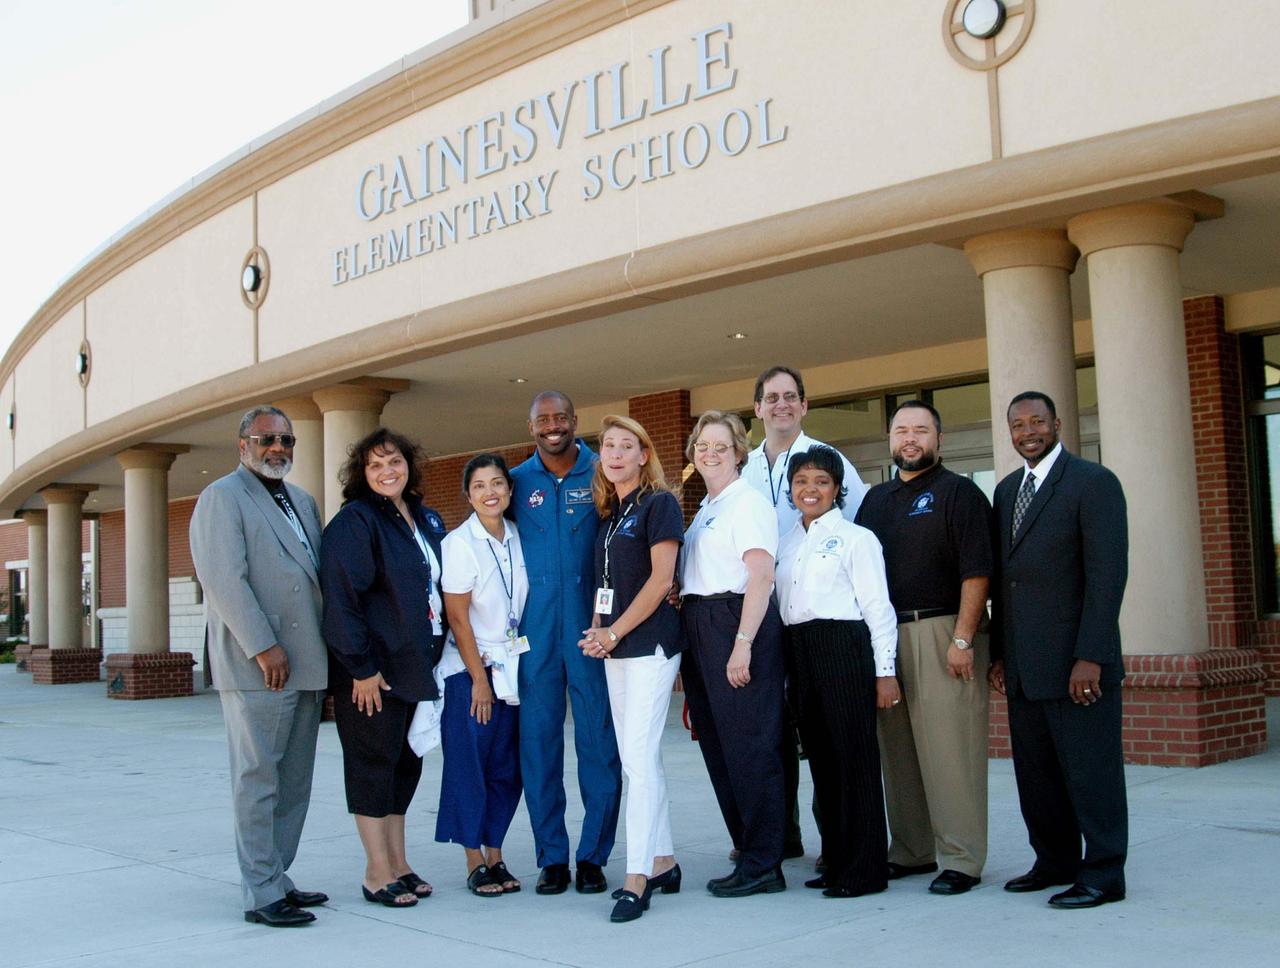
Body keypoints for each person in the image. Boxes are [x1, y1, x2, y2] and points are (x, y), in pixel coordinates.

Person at [189, 405, 328, 927]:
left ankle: (277, 875)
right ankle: (261, 892)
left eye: (286, 440)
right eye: (266, 438)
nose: (278, 448)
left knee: (294, 782)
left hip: (307, 661)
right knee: (258, 778)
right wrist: (262, 645)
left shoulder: (302, 500)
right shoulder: (222, 497)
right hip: (260, 664)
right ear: (242, 444)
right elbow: (224, 579)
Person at [990, 391, 1129, 909]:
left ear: (1057, 424)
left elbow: (1107, 575)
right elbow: (1006, 583)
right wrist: (1000, 654)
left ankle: (1104, 874)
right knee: (1038, 776)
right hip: (1026, 668)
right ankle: (1054, 861)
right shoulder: (1006, 492)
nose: (1028, 430)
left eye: (1037, 421)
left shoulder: (1094, 483)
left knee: (1092, 774)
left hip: (1078, 666)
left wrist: (1090, 655)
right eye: (1018, 424)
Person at [855, 400, 994, 896]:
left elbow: (976, 571)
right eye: (901, 430)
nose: (910, 439)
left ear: (939, 439)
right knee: (898, 751)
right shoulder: (875, 500)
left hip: (941, 634)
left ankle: (961, 857)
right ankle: (912, 850)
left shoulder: (960, 494)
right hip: (887, 636)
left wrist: (962, 637)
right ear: (890, 439)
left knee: (951, 751)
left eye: (921, 430)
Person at [742, 364, 869, 862]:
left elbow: (857, 527)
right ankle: (783, 834)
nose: (781, 405)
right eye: (771, 397)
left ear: (804, 405)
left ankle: (832, 841)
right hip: (761, 615)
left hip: (819, 619)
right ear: (757, 408)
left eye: (790, 396)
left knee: (822, 734)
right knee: (771, 730)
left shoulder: (829, 459)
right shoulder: (744, 466)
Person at [320, 428, 448, 909]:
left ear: (408, 465)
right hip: (374, 673)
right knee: (373, 767)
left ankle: (400, 863)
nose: (387, 471)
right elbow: (341, 600)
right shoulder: (356, 522)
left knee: (404, 766)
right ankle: (376, 872)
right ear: (362, 474)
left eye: (393, 461)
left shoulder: (422, 518)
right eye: (375, 465)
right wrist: (360, 667)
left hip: (416, 668)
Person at [510, 390, 622, 895]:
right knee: (538, 747)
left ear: (576, 422)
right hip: (535, 638)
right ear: (531, 426)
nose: (552, 426)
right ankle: (551, 856)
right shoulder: (515, 483)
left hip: (591, 633)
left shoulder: (603, 472)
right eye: (543, 419)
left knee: (599, 744)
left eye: (561, 418)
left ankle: (593, 855)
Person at [776, 446, 898, 898]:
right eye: (803, 481)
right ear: (791, 489)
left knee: (855, 762)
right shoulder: (786, 542)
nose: (811, 489)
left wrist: (885, 671)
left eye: (822, 482)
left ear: (836, 489)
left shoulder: (856, 539)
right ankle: (837, 859)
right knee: (823, 765)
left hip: (843, 649)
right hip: (800, 652)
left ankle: (865, 870)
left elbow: (878, 609)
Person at [577, 415, 684, 922]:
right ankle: (663, 860)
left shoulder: (659, 504)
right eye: (607, 447)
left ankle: (636, 876)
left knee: (637, 761)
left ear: (644, 456)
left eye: (626, 446)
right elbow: (607, 583)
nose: (615, 453)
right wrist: (598, 631)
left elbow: (662, 580)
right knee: (639, 759)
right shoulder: (611, 514)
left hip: (650, 647)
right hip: (616, 649)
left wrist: (615, 631)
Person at [679, 410, 787, 898]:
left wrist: (742, 643)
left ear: (740, 452)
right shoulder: (708, 506)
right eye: (703, 446)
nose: (710, 454)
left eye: (721, 446)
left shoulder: (748, 503)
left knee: (750, 746)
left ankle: (766, 861)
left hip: (736, 623)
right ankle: (748, 847)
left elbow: (760, 576)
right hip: (702, 623)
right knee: (720, 747)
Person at [437, 453, 527, 897]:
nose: (490, 493)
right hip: (470, 673)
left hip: (511, 670)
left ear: (509, 491)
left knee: (506, 768)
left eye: (497, 484)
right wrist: (477, 679)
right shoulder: (460, 543)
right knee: (469, 765)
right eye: (479, 486)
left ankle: (496, 852)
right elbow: (458, 617)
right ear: (468, 496)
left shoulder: (517, 536)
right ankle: (473, 859)